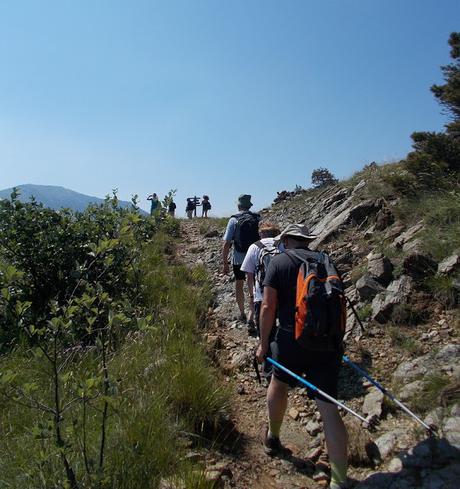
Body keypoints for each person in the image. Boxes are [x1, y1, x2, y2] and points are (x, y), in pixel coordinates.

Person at [256, 223, 348, 489]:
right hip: (327, 343)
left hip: (289, 340)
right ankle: (340, 480)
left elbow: (267, 306)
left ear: (286, 240)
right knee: (329, 409)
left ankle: (273, 437)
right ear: (306, 241)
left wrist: (263, 345)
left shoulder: (279, 262)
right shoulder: (325, 260)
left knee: (279, 382)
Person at [222, 194, 260, 323]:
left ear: (238, 205)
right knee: (255, 284)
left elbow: (227, 243)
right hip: (255, 256)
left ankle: (242, 313)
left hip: (238, 258)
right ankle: (253, 312)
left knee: (239, 283)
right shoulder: (258, 218)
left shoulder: (233, 220)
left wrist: (225, 263)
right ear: (249, 205)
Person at [240, 221, 281, 337]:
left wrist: (251, 295)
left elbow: (249, 276)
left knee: (264, 333)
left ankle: (265, 350)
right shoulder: (283, 244)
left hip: (261, 295)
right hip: (282, 295)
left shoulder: (254, 247)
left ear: (261, 234)